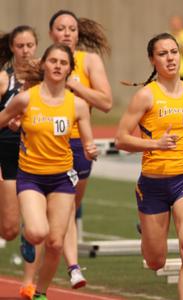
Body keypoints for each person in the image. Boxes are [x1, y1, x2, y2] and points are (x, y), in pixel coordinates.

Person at [0, 43, 98, 300]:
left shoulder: (76, 105)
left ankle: (41, 293)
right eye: (53, 61)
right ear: (43, 64)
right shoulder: (26, 99)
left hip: (62, 178)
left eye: (63, 63)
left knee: (55, 243)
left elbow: (87, 141)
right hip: (31, 177)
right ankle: (27, 235)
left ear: (69, 70)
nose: (57, 66)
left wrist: (90, 149)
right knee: (38, 232)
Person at [115, 33, 183, 300]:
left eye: (173, 52)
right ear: (153, 60)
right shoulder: (145, 96)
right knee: (156, 261)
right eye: (162, 54)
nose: (170, 58)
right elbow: (121, 139)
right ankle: (147, 231)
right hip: (153, 184)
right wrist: (155, 145)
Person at [47, 9, 112, 289]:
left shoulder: (89, 61)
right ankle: (73, 268)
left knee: (70, 207)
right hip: (47, 144)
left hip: (78, 143)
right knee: (61, 209)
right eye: (61, 29)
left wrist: (75, 86)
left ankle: (47, 244)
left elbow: (106, 102)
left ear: (78, 33)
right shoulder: (45, 62)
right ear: (52, 33)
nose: (67, 34)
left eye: (72, 29)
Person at [0, 25, 37, 242]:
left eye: (29, 45)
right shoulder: (5, 79)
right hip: (8, 155)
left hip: (37, 153)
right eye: (20, 46)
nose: (25, 50)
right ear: (12, 48)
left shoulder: (47, 77)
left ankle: (31, 234)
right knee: (9, 230)